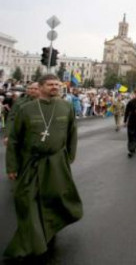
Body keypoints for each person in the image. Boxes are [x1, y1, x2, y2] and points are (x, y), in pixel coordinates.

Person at [4, 74, 83, 259]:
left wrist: (69, 156)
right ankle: (32, 241)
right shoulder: (27, 109)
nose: (55, 87)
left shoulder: (66, 107)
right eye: (50, 84)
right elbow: (14, 139)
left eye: (57, 84)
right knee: (27, 200)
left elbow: (72, 132)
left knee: (54, 197)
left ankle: (49, 229)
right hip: (30, 162)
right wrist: (12, 167)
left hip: (56, 161)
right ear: (40, 87)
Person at [3, 82, 40, 146]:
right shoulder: (20, 102)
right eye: (30, 88)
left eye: (35, 89)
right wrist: (8, 135)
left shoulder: (46, 102)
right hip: (22, 134)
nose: (32, 90)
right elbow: (12, 118)